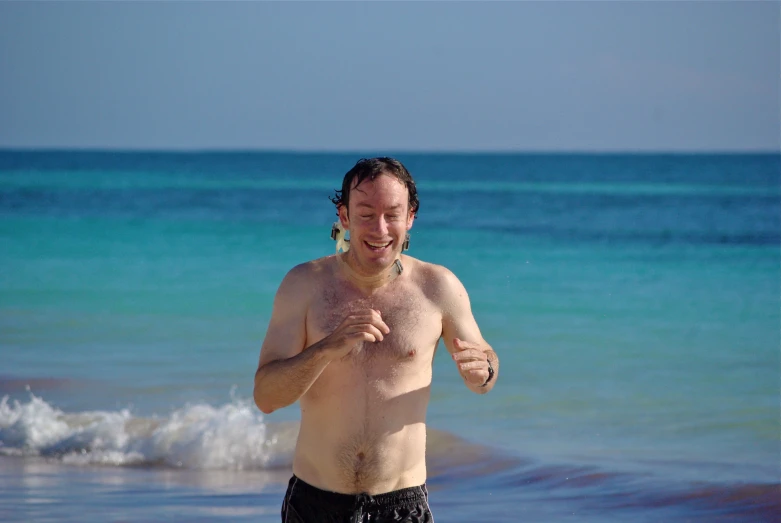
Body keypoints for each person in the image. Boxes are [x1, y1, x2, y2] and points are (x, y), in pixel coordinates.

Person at [253, 157, 499, 523]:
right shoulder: (304, 285)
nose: (380, 228)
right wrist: (327, 347)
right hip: (314, 504)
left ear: (410, 217)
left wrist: (485, 372)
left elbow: (484, 369)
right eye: (366, 214)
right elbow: (266, 398)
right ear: (345, 217)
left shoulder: (438, 287)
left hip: (401, 505)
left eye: (392, 214)